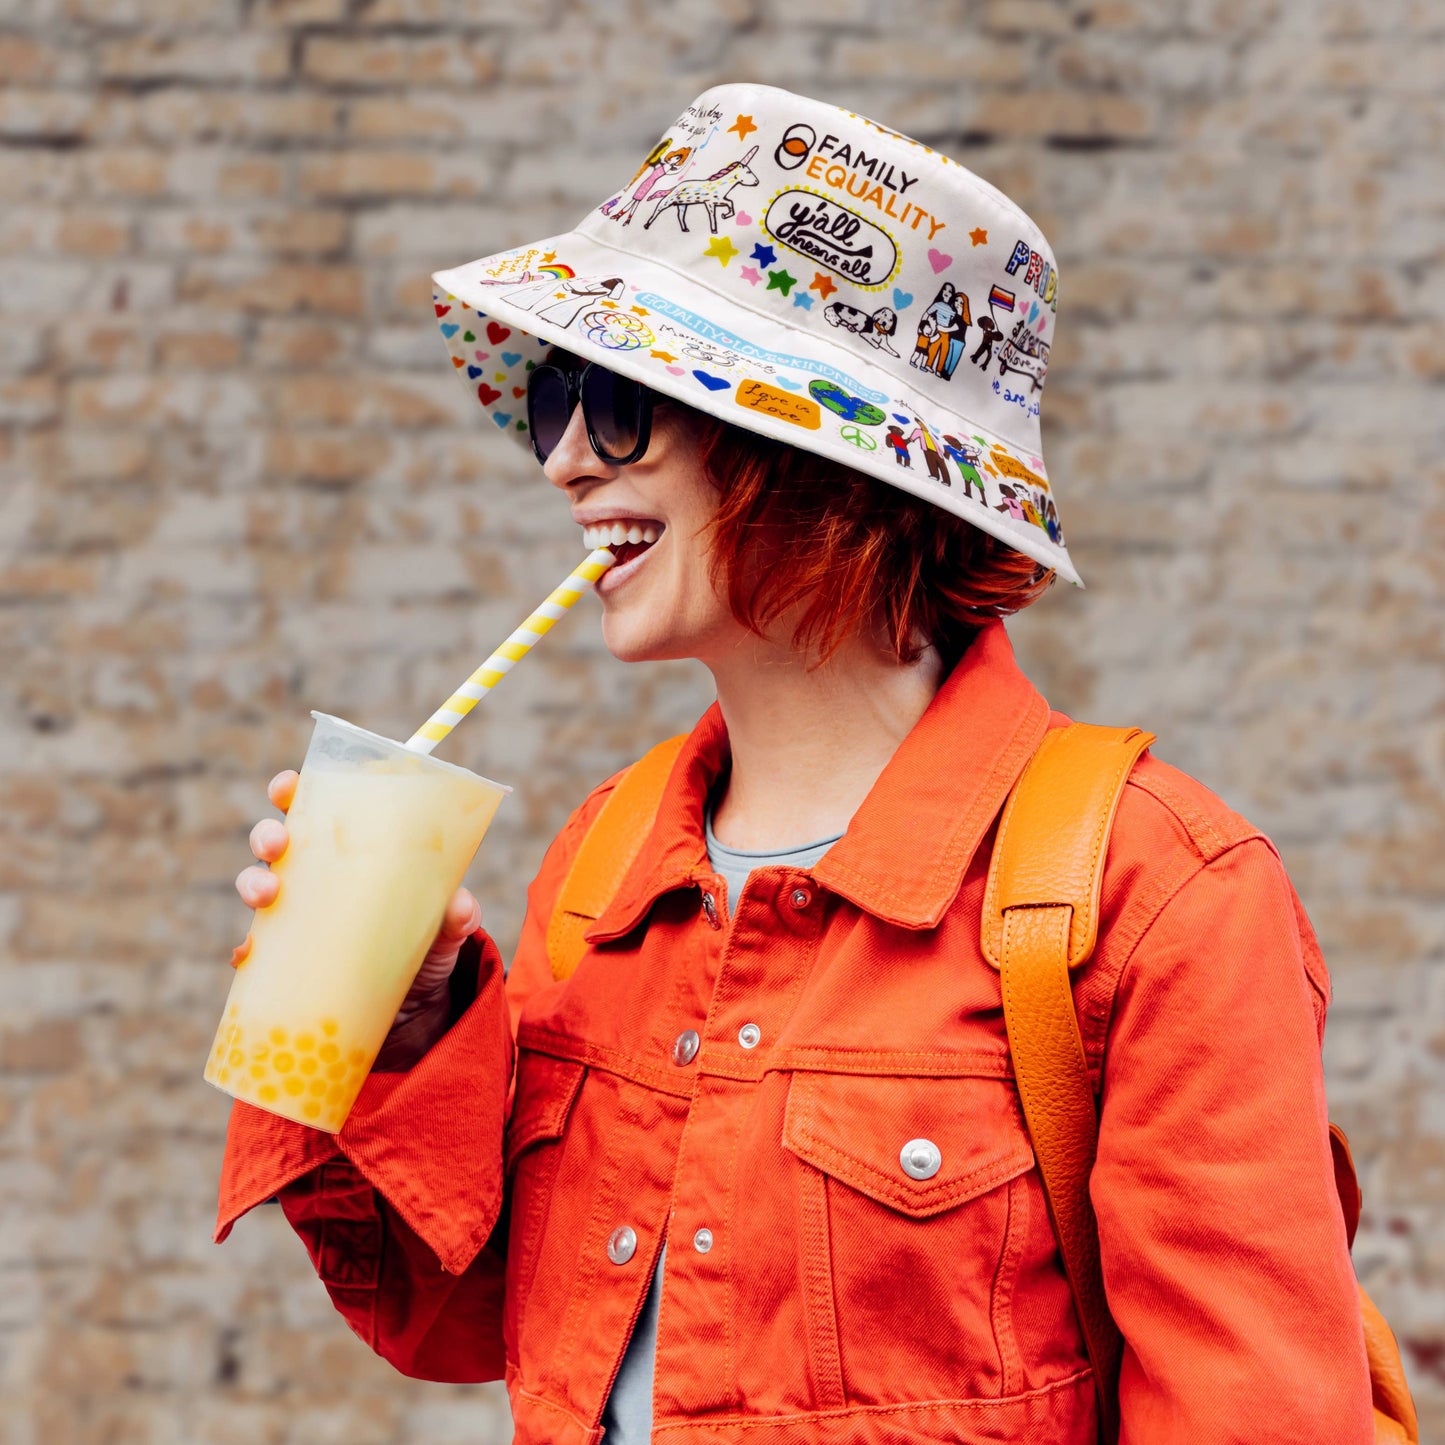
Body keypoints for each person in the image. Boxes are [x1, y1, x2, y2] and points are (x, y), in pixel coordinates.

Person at [215, 84, 1376, 1443]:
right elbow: (473, 1319)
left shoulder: (1157, 893)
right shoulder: (608, 858)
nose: (566, 462)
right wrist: (406, 1024)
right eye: (555, 401)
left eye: (625, 402)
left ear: (810, 449)